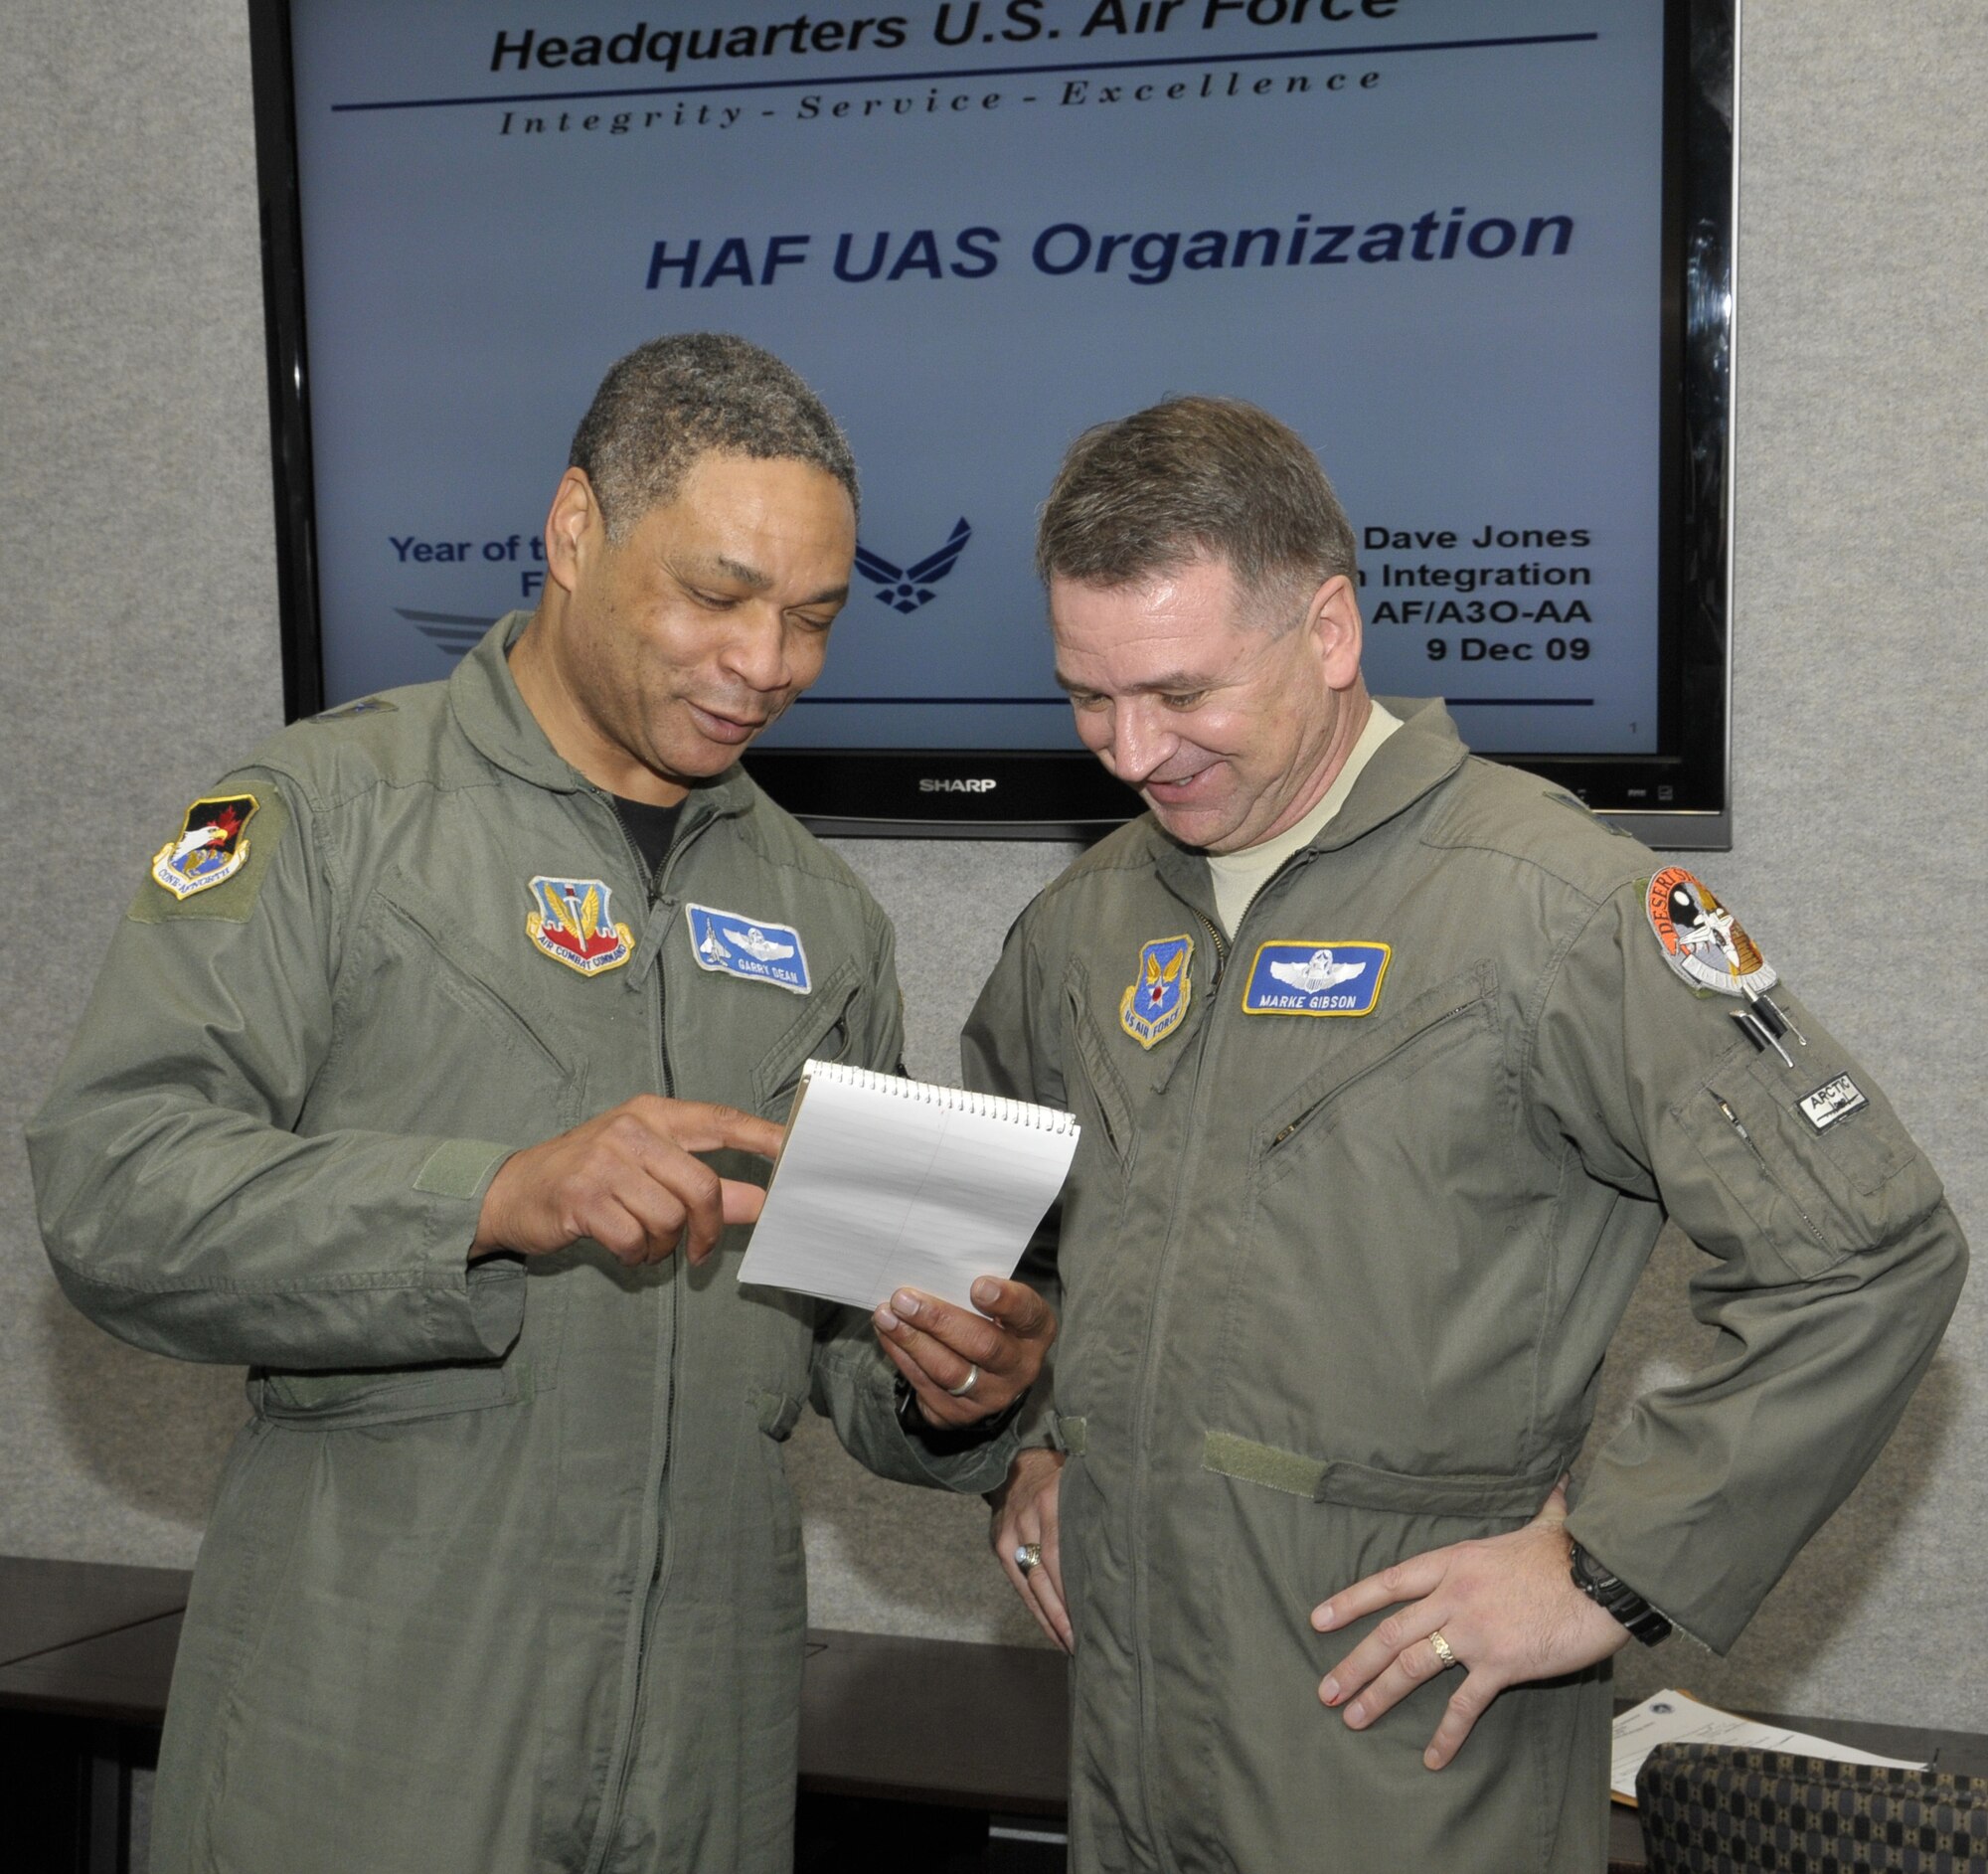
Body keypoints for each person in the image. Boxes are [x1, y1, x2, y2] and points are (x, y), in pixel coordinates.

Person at [29, 333, 1054, 1874]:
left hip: (701, 1759)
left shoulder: (826, 916)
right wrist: (493, 1198)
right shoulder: (325, 820)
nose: (770, 663)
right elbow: (114, 1191)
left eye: (817, 617)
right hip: (373, 1741)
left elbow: (851, 1333)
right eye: (718, 595)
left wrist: (956, 1384)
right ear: (575, 527)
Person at [968, 396, 1965, 1872]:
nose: (1130, 750)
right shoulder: (1085, 924)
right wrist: (1025, 1444)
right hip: (1133, 1765)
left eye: (1180, 692)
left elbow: (1870, 1253)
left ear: (1327, 630)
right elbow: (1000, 1230)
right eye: (1088, 697)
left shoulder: (1548, 904)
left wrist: (1606, 1568)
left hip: (1406, 1771)